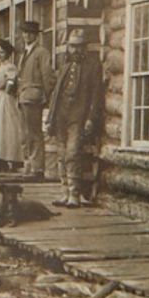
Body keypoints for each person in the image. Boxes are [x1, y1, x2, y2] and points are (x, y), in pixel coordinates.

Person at [49, 24, 107, 206]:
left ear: (85, 47)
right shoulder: (64, 66)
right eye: (72, 46)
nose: (76, 49)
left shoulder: (93, 66)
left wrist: (91, 118)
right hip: (61, 116)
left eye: (79, 46)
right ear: (68, 47)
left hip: (78, 116)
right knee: (61, 154)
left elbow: (96, 95)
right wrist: (50, 117)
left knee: (73, 153)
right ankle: (64, 191)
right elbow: (56, 94)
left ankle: (75, 193)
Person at [16, 20, 53, 178]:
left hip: (34, 97)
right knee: (25, 133)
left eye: (30, 33)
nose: (26, 36)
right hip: (23, 97)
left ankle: (37, 168)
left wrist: (48, 96)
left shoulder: (41, 52)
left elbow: (47, 76)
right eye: (24, 32)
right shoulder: (24, 53)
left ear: (35, 35)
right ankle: (28, 165)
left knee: (34, 132)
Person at [0, 39, 26, 171]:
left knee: (7, 129)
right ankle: (0, 159)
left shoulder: (10, 67)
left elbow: (11, 82)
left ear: (8, 53)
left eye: (2, 52)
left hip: (5, 99)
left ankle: (11, 159)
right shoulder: (1, 67)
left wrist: (8, 89)